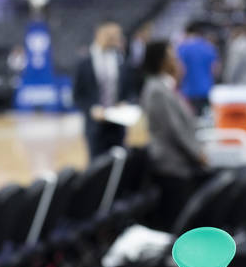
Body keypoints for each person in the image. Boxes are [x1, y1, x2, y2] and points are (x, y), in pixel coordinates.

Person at [141, 41, 205, 231]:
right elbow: (175, 130)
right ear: (161, 61)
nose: (177, 61)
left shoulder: (167, 87)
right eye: (172, 57)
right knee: (177, 223)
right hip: (170, 165)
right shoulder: (156, 90)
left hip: (180, 164)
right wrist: (198, 154)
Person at [73, 22, 127, 161]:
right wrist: (92, 109)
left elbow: (129, 90)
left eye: (117, 35)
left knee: (118, 166)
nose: (115, 38)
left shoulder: (120, 59)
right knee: (97, 168)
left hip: (118, 123)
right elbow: (77, 95)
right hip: (95, 125)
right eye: (111, 34)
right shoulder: (84, 61)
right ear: (99, 33)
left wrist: (125, 103)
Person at [176, 23, 219, 113]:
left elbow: (180, 70)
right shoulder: (209, 47)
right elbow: (215, 70)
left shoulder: (182, 48)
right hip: (206, 90)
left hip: (188, 92)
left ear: (187, 33)